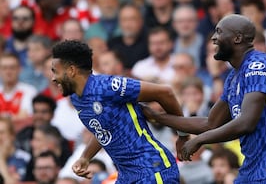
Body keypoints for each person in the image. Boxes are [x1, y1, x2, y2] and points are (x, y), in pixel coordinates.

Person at [141, 14, 266, 183]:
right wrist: (156, 117)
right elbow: (210, 123)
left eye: (219, 32)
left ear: (237, 38)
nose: (214, 38)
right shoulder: (233, 78)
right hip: (253, 170)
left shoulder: (258, 64)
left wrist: (199, 140)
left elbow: (246, 123)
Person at [51, 40, 186, 183]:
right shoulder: (77, 99)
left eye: (55, 71)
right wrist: (85, 157)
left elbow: (165, 92)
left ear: (71, 70)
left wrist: (182, 135)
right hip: (126, 176)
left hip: (151, 169)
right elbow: (104, 130)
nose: (53, 78)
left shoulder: (108, 86)